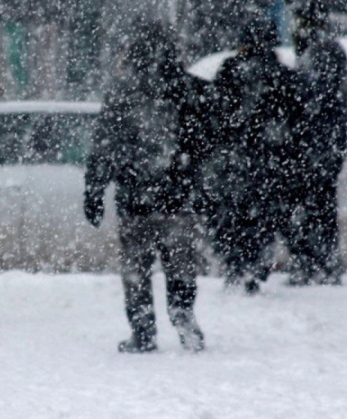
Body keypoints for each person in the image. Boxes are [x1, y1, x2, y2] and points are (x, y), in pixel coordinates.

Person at [84, 21, 206, 354]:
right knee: (180, 267)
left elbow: (104, 147)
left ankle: (143, 331)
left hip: (135, 199)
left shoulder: (122, 92)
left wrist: (94, 191)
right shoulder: (189, 89)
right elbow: (206, 146)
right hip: (178, 199)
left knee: (136, 270)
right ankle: (183, 317)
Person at [209, 17, 306, 294]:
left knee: (232, 215)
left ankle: (234, 265)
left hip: (235, 160)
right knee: (264, 217)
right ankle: (255, 266)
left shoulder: (229, 70)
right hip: (272, 161)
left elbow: (214, 113)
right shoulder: (283, 74)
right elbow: (298, 122)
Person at [291, 0, 347, 285]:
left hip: (317, 146)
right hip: (321, 145)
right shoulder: (322, 49)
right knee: (318, 206)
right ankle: (318, 263)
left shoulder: (321, 51)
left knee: (317, 206)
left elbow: (315, 98)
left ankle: (317, 264)